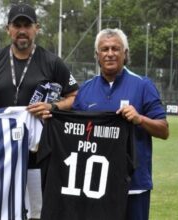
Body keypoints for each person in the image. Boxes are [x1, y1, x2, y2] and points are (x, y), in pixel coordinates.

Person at [0, 3, 79, 219]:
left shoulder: (52, 62)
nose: (22, 30)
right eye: (16, 25)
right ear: (8, 29)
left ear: (36, 28)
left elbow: (75, 97)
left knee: (37, 214)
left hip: (37, 158)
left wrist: (53, 106)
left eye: (27, 25)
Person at [72, 28, 169, 220]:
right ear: (97, 55)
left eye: (115, 48)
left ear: (125, 54)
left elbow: (164, 130)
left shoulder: (143, 85)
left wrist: (139, 119)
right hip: (95, 186)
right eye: (104, 49)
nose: (110, 54)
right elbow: (74, 133)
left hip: (134, 185)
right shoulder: (85, 90)